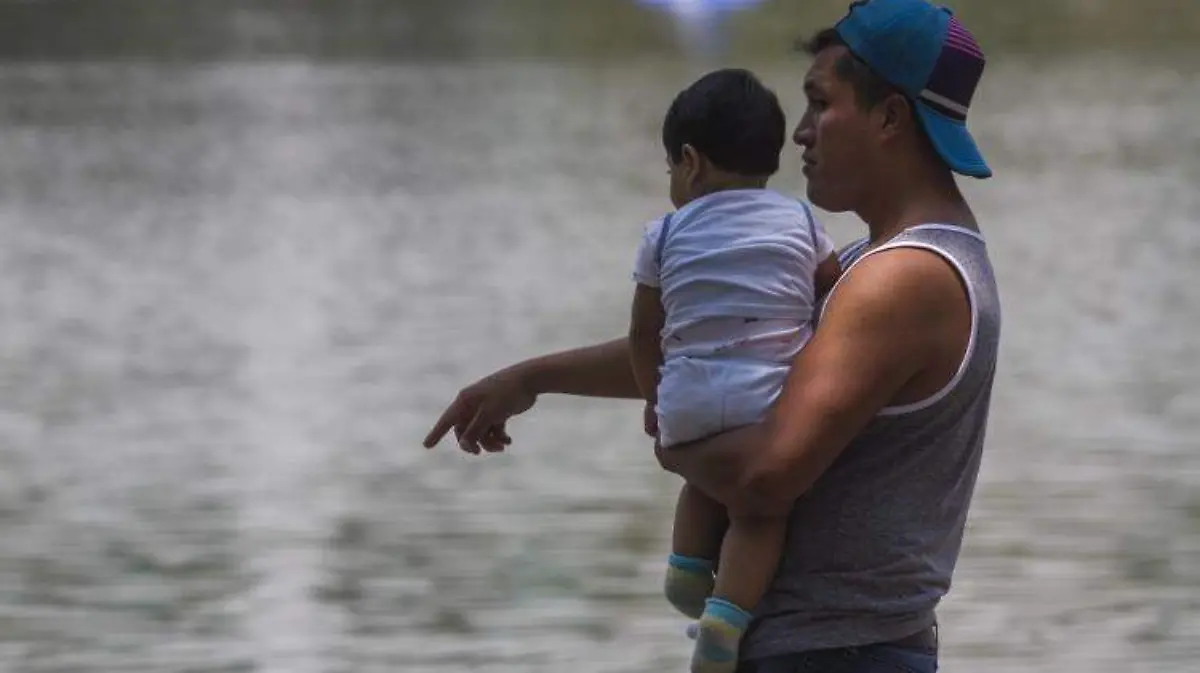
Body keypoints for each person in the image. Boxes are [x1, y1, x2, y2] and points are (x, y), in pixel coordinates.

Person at [423, 1, 1001, 672]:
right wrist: (532, 378)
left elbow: (761, 480)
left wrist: (676, 441)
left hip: (837, 654)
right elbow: (727, 342)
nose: (802, 134)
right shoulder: (868, 265)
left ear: (890, 118)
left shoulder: (903, 279)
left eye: (820, 104)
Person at [628, 68, 840, 673]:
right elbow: (829, 294)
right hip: (767, 396)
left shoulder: (663, 234)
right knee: (761, 509)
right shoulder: (800, 222)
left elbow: (644, 331)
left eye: (669, 167)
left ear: (689, 161)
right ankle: (727, 615)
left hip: (687, 397)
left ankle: (687, 567)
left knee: (705, 476)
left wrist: (654, 396)